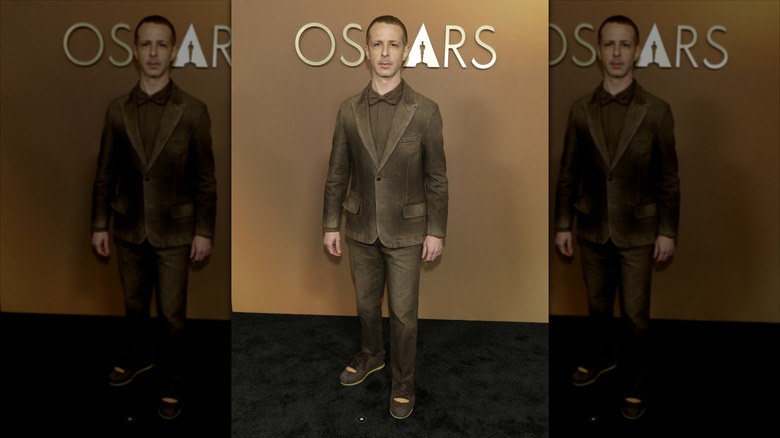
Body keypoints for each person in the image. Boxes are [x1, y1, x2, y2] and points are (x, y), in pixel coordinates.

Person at [553, 15, 680, 420]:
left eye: (625, 45)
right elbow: (568, 172)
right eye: (610, 44)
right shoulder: (579, 110)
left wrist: (667, 231)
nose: (617, 53)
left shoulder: (657, 111)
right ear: (599, 50)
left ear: (637, 51)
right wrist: (561, 224)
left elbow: (669, 179)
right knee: (596, 307)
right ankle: (602, 357)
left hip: (639, 232)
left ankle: (637, 378)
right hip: (590, 228)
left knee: (636, 316)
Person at [90, 14, 216, 420]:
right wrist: (98, 225)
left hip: (176, 233)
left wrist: (204, 231)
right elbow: (104, 172)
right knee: (133, 307)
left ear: (174, 50)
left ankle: (174, 380)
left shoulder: (194, 111)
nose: (154, 52)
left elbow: (205, 179)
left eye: (162, 44)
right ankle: (137, 357)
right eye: (146, 44)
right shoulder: (116, 110)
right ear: (135, 50)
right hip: (127, 227)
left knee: (173, 316)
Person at [322, 15, 448, 420]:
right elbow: (338, 173)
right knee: (364, 304)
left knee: (405, 314)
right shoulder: (347, 110)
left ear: (406, 51)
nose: (385, 53)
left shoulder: (426, 111)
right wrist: (329, 224)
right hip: (359, 226)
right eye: (377, 44)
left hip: (409, 231)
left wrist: (436, 231)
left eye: (393, 45)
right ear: (366, 51)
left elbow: (437, 178)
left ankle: (404, 378)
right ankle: (372, 354)